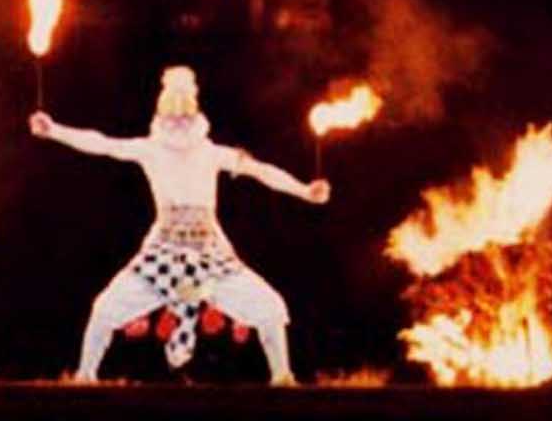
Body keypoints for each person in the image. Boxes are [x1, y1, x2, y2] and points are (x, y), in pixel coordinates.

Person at [29, 65, 330, 384]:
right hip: (162, 254)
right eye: (172, 117)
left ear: (195, 118)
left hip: (210, 259)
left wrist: (304, 190)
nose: (179, 123)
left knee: (269, 307)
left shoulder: (212, 153)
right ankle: (85, 375)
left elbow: (262, 171)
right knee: (105, 309)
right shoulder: (150, 149)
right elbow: (102, 143)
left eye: (184, 116)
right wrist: (54, 130)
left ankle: (283, 375)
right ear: (162, 119)